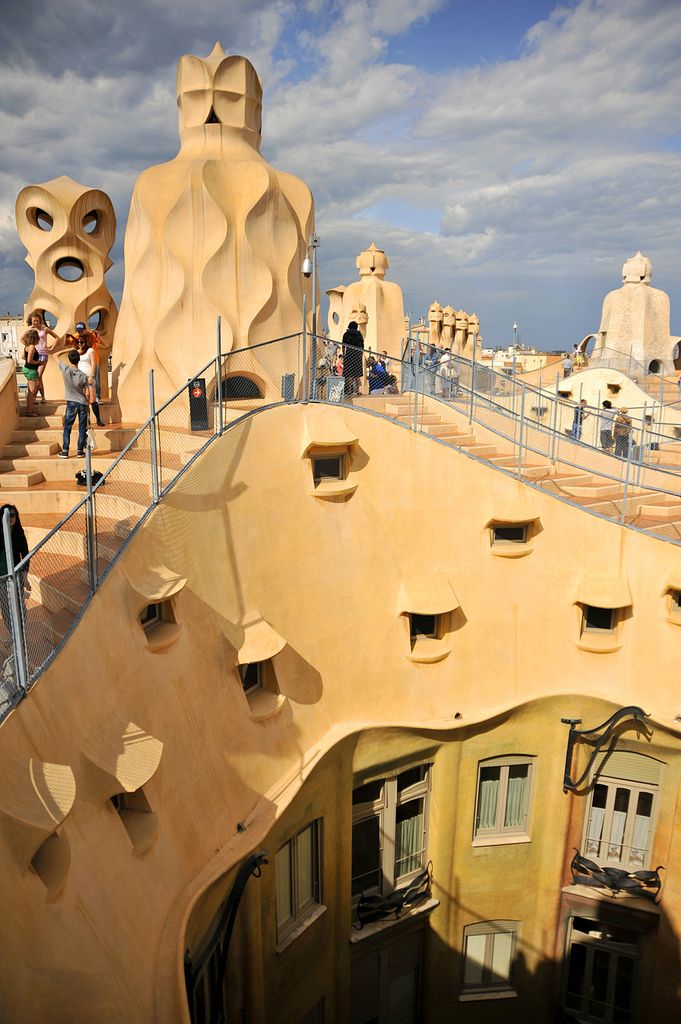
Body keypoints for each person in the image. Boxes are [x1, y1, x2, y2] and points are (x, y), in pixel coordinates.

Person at [0, 504, 30, 636]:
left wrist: (24, 574)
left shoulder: (19, 532)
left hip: (16, 573)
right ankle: (13, 635)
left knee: (20, 607)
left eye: (13, 515)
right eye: (8, 515)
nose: (11, 518)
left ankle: (20, 634)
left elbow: (25, 554)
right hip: (2, 577)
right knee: (6, 609)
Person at [57, 350, 90, 458]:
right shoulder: (84, 375)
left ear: (69, 359)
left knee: (67, 427)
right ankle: (80, 451)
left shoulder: (66, 370)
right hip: (83, 403)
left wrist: (68, 349)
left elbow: (55, 355)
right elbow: (87, 392)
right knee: (82, 427)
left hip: (71, 403)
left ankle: (65, 450)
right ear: (78, 360)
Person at [22, 311, 58, 402]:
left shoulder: (44, 329)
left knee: (38, 375)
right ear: (31, 321)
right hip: (33, 354)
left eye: (37, 321)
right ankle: (41, 397)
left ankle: (34, 397)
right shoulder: (30, 329)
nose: (35, 323)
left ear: (40, 320)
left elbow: (57, 337)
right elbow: (21, 339)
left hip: (43, 354)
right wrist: (28, 346)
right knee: (36, 377)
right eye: (34, 321)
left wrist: (51, 347)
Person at [76, 336, 105, 427]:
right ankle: (87, 420)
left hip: (89, 377)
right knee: (84, 400)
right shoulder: (77, 352)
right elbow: (75, 364)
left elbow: (94, 364)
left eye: (82, 342)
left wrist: (91, 376)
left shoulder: (90, 351)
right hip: (80, 378)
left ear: (86, 342)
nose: (80, 344)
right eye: (78, 342)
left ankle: (98, 419)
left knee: (92, 399)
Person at [22, 329, 42, 417]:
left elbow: (23, 357)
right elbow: (29, 360)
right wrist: (38, 362)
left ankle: (31, 408)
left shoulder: (27, 346)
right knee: (32, 391)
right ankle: (29, 411)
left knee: (33, 389)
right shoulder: (32, 347)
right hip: (31, 370)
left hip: (27, 369)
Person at [342, 320, 364, 396]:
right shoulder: (359, 334)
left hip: (349, 355)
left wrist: (344, 354)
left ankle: (349, 390)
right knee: (357, 374)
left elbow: (343, 345)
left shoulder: (346, 334)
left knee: (349, 374)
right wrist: (361, 354)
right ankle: (358, 390)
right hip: (357, 355)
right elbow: (362, 345)